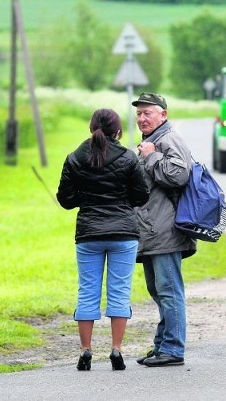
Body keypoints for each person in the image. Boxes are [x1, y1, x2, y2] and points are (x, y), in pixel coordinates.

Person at [56, 108, 150, 371]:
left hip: (89, 234)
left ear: (91, 128)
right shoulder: (129, 158)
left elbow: (65, 199)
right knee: (119, 292)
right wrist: (121, 202)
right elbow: (141, 196)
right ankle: (116, 350)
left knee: (87, 292)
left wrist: (85, 200)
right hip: (123, 233)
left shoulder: (75, 158)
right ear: (118, 131)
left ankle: (86, 351)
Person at [132, 92, 197, 367]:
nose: (142, 118)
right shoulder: (154, 141)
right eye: (139, 113)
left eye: (148, 112)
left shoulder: (168, 139)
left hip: (167, 231)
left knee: (169, 291)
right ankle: (162, 344)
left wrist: (151, 157)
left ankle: (173, 349)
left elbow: (179, 176)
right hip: (151, 231)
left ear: (163, 115)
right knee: (158, 290)